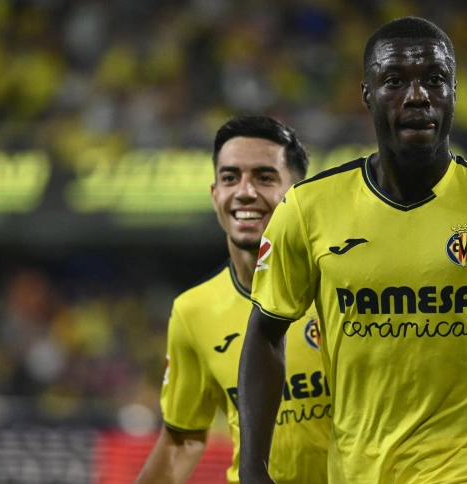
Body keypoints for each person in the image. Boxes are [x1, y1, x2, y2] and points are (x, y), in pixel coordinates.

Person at [237, 16, 467, 484]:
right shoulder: (309, 209)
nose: (417, 96)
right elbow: (265, 332)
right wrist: (252, 469)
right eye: (395, 81)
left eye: (434, 79)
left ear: (454, 92)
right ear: (367, 94)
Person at [135, 116, 331, 484]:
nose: (244, 191)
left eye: (264, 177)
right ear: (215, 196)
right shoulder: (192, 311)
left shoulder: (341, 287)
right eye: (230, 178)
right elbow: (183, 439)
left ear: (299, 193)